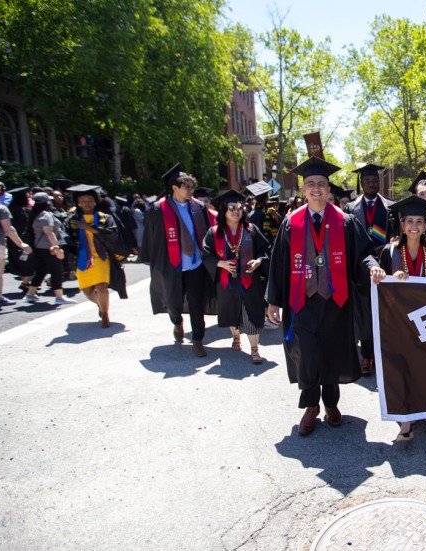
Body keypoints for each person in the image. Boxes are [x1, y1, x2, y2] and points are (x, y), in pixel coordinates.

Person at [266, 156, 385, 437]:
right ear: (303, 190)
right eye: (310, 184)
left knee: (332, 353)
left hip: (335, 301)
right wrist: (273, 300)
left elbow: (363, 254)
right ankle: (311, 406)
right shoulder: (290, 223)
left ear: (329, 188)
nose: (316, 189)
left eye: (321, 184)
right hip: (301, 301)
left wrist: (374, 266)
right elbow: (279, 263)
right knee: (307, 353)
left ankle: (331, 403)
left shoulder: (345, 221)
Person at [378, 195, 426, 443]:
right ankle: (406, 422)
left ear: (425, 226)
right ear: (402, 225)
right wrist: (386, 277)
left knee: (422, 366)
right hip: (397, 322)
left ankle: (422, 405)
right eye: (410, 221)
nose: (415, 226)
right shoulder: (389, 251)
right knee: (401, 367)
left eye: (420, 221)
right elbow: (378, 286)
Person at [140, 164, 218, 357]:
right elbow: (152, 237)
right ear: (174, 187)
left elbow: (210, 233)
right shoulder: (159, 209)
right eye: (187, 187)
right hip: (171, 265)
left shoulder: (198, 207)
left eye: (192, 187)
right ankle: (176, 322)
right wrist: (152, 259)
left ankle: (198, 339)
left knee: (195, 302)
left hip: (195, 264)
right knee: (173, 301)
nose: (191, 191)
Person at [202, 190, 271, 364]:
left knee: (252, 313)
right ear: (223, 210)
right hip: (227, 281)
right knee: (231, 311)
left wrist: (258, 261)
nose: (236, 211)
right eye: (231, 208)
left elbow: (265, 249)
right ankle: (236, 336)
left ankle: (255, 350)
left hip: (249, 279)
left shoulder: (251, 229)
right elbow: (206, 255)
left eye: (239, 208)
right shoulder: (214, 232)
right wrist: (221, 264)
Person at [345, 163, 396, 376]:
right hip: (360, 268)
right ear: (361, 183)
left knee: (385, 311)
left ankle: (383, 354)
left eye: (375, 180)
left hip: (384, 265)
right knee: (364, 312)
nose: (371, 183)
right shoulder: (350, 208)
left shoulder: (391, 207)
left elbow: (395, 237)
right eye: (367, 181)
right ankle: (366, 355)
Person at [63, 185, 128, 326]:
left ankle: (105, 314)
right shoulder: (71, 220)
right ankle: (100, 304)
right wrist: (57, 247)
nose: (87, 204)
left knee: (102, 287)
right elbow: (64, 237)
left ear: (95, 201)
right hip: (82, 258)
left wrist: (89, 228)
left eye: (90, 200)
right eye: (84, 201)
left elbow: (112, 234)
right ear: (78, 203)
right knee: (87, 290)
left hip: (101, 257)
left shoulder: (104, 218)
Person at [23, 192, 76, 305]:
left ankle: (30, 294)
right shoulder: (45, 215)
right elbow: (49, 232)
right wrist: (56, 248)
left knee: (42, 270)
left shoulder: (34, 214)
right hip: (49, 247)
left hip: (39, 247)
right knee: (57, 270)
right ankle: (59, 296)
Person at [6, 186, 36, 291]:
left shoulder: (10, 209)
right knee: (28, 261)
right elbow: (25, 225)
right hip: (23, 239)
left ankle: (26, 282)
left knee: (21, 261)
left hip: (12, 239)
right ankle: (25, 283)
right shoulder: (22, 210)